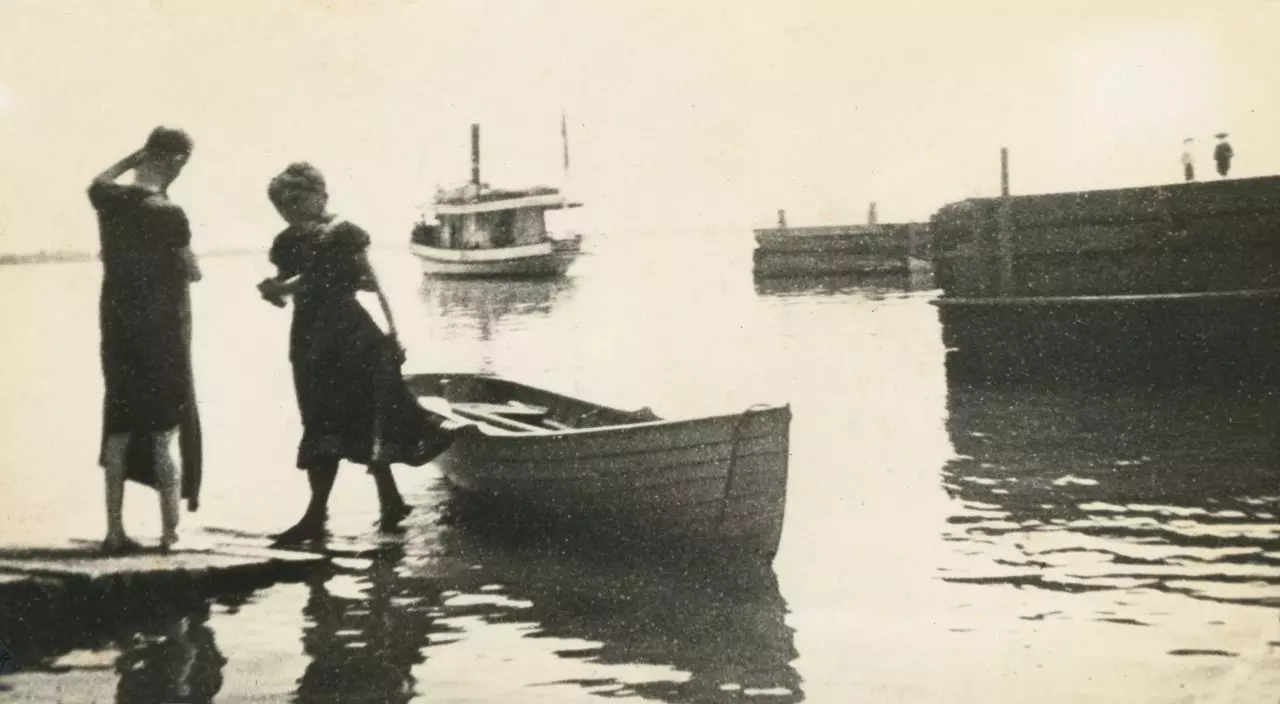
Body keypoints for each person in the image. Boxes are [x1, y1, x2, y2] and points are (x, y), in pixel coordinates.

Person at [258, 163, 462, 544]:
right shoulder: (286, 243)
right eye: (282, 205)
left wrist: (394, 335)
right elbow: (288, 295)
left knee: (365, 416)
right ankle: (389, 502)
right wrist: (275, 291)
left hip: (351, 336)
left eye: (298, 200)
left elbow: (374, 284)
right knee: (321, 422)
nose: (291, 209)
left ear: (320, 195)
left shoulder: (343, 234)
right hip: (309, 341)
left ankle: (320, 516)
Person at [88, 127, 203, 554]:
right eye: (182, 163)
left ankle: (114, 531)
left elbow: (100, 179)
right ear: (175, 160)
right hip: (161, 331)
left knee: (117, 428)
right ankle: (170, 534)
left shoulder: (109, 200)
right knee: (162, 433)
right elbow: (192, 270)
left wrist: (132, 158)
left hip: (116, 326)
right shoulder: (168, 212)